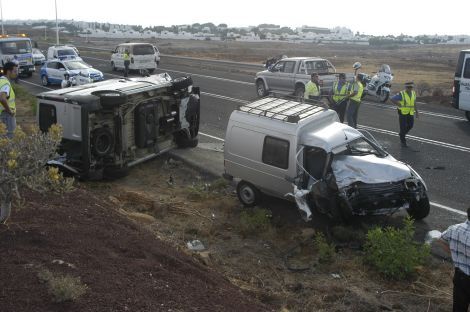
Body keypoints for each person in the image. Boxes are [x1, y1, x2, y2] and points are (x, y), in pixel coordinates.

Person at [440, 207, 470, 312]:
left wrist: (453, 252)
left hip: (460, 277)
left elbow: (441, 239)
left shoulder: (455, 229)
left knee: (459, 307)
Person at [390, 82, 419, 147]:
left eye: (411, 87)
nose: (410, 88)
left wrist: (417, 112)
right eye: (408, 87)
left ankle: (402, 134)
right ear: (406, 87)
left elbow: (414, 103)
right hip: (402, 112)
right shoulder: (402, 94)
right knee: (402, 127)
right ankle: (403, 142)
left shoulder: (413, 93)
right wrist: (398, 104)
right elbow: (392, 99)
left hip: (410, 112)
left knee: (410, 125)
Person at [0, 62, 18, 139]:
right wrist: (9, 111)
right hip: (7, 116)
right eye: (15, 71)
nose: (16, 73)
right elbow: (2, 98)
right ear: (8, 71)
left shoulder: (1, 80)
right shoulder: (6, 83)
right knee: (10, 138)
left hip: (3, 115)